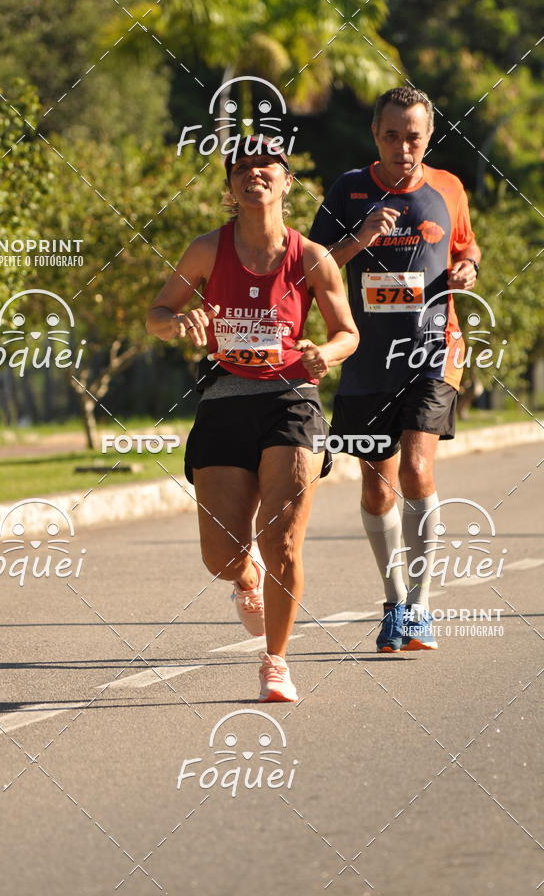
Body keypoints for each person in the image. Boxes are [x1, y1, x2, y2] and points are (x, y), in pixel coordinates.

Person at [147, 136, 358, 701]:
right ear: (230, 187)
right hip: (224, 400)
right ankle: (245, 579)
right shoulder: (204, 250)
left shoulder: (311, 256)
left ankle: (276, 662)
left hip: (293, 398)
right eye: (241, 168)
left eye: (267, 166)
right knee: (222, 557)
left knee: (283, 543)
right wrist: (180, 323)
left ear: (287, 182)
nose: (254, 174)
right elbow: (157, 314)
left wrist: (326, 354)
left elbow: (348, 333)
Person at [309, 86, 481, 652]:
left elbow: (466, 249)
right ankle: (393, 601)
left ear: (429, 136)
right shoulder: (348, 190)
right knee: (377, 482)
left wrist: (466, 270)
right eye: (392, 136)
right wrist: (360, 239)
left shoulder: (449, 188)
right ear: (375, 136)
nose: (403, 148)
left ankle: (421, 607)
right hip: (365, 358)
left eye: (414, 136)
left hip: (433, 352)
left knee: (415, 467)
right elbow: (311, 266)